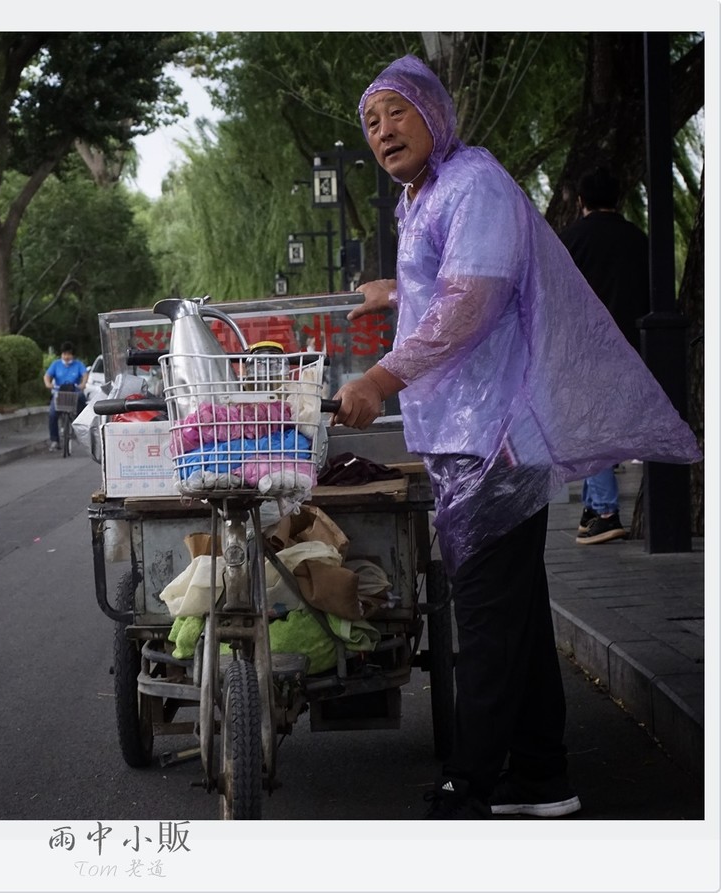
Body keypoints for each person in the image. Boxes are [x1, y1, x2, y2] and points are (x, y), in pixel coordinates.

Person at [332, 55, 700, 819]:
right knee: (519, 612)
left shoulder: (476, 183)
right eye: (371, 122)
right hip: (466, 436)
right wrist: (394, 289)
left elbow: (472, 299)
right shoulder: (427, 195)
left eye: (396, 111)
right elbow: (449, 281)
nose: (383, 131)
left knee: (490, 620)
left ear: (434, 111)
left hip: (493, 436)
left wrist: (378, 379)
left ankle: (470, 784)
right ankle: (541, 775)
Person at [560, 168, 651, 545]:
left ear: (580, 202)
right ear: (618, 199)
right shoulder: (639, 238)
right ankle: (593, 505)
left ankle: (605, 512)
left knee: (591, 430)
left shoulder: (572, 239)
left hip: (588, 348)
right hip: (637, 344)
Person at [43, 341, 89, 451]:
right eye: (64, 354)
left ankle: (81, 427)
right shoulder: (56, 364)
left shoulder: (78, 364)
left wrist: (83, 384)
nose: (66, 356)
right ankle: (55, 440)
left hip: (74, 392)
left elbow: (85, 375)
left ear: (73, 355)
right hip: (59, 393)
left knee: (82, 403)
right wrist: (48, 384)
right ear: (61, 354)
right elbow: (47, 376)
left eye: (69, 354)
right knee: (53, 415)